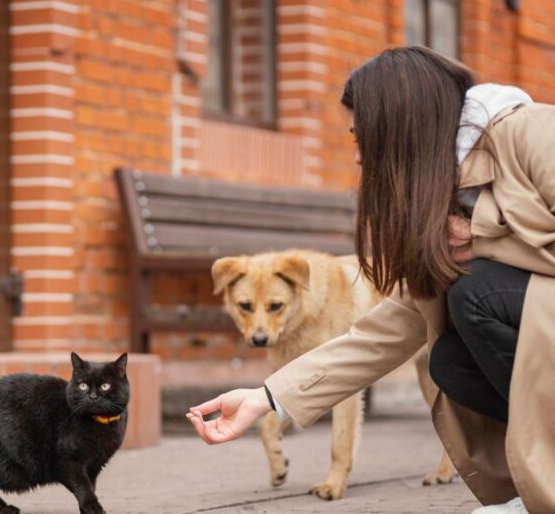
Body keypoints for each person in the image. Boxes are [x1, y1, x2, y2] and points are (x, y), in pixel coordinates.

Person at [187, 46, 555, 514]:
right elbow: (386, 329)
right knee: (449, 361)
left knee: (474, 293)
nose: (360, 159)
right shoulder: (440, 200)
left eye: (365, 139)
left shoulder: (531, 132)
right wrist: (268, 397)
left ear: (400, 128)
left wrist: (484, 231)